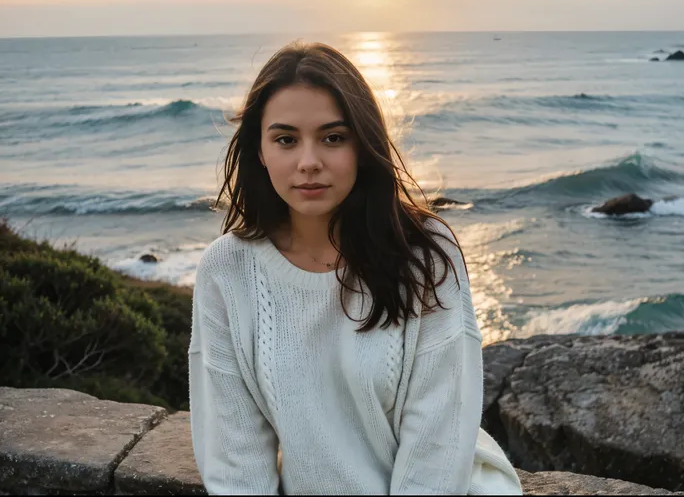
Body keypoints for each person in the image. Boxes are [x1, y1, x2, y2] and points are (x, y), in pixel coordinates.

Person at [188, 41, 522, 495]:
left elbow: (437, 444)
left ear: (362, 147)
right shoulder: (226, 270)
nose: (309, 162)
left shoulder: (426, 255)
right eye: (286, 139)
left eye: (333, 138)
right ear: (260, 151)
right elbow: (235, 456)